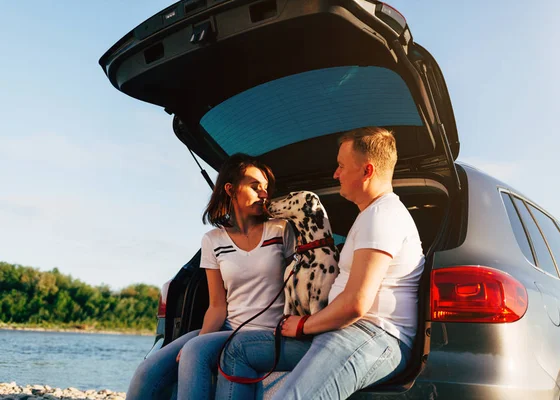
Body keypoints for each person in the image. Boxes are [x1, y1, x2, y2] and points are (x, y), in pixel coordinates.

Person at [217, 127, 425, 400]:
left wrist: (303, 325)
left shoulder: (382, 216)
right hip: (341, 330)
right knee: (238, 349)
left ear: (367, 171)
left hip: (373, 335)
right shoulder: (367, 216)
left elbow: (356, 304)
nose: (335, 174)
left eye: (341, 166)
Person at [126, 153, 296, 400]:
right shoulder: (213, 240)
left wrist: (197, 347)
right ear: (230, 189)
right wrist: (202, 340)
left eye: (266, 188)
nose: (264, 194)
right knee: (147, 373)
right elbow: (217, 305)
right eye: (255, 186)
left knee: (194, 350)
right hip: (228, 329)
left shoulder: (281, 230)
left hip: (268, 334)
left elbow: (299, 287)